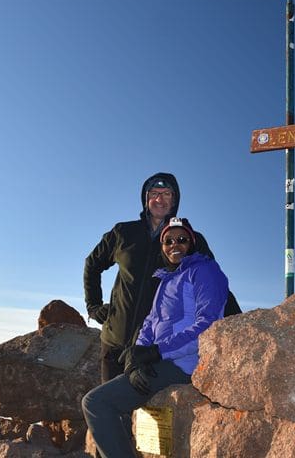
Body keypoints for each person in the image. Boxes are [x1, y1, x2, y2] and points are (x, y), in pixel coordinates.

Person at [82, 217, 229, 458]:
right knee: (114, 406)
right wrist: (137, 358)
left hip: (184, 363)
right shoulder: (165, 279)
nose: (174, 245)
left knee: (96, 404)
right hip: (160, 361)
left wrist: (157, 352)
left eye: (181, 239)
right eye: (168, 241)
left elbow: (208, 326)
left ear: (191, 243)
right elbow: (150, 323)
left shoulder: (205, 271)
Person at [83, 173, 213, 383]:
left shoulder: (189, 240)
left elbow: (210, 284)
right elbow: (92, 264)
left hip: (155, 349)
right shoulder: (123, 232)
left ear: (175, 200)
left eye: (166, 194)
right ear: (146, 199)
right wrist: (93, 306)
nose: (159, 199)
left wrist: (235, 323)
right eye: (154, 193)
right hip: (114, 342)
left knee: (152, 414)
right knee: (109, 407)